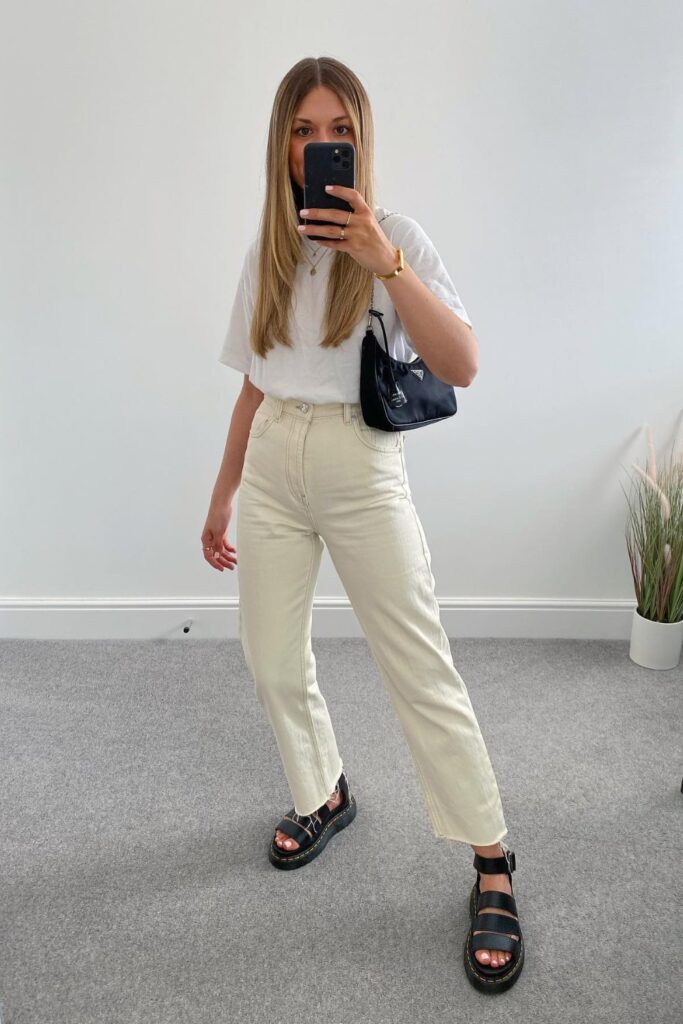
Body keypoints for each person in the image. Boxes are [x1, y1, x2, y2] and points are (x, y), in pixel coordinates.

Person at [203, 56, 524, 993]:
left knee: (418, 666)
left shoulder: (396, 238)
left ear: (358, 138)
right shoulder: (268, 244)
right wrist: (221, 492)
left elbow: (461, 363)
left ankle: (492, 860)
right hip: (272, 462)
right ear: (281, 145)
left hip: (359, 464)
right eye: (299, 132)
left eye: (330, 129)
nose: (315, 146)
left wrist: (381, 263)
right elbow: (255, 383)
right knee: (270, 656)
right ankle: (325, 792)